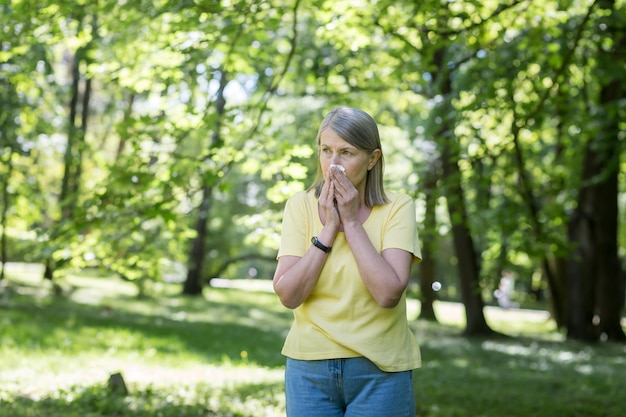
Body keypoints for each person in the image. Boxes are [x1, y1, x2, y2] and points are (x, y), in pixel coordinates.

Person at [273, 106, 422, 417]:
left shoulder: (398, 207)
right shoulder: (299, 207)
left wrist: (352, 223)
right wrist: (329, 228)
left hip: (381, 370)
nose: (333, 165)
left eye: (346, 152)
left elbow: (388, 293)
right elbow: (288, 294)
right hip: (309, 369)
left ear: (372, 159)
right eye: (326, 151)